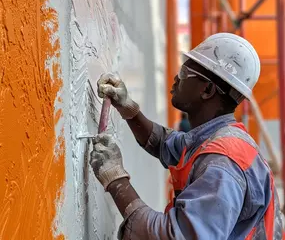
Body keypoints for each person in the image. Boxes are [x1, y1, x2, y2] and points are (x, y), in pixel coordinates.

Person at [89, 33, 284, 239]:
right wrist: (128, 107)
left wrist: (115, 178)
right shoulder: (217, 138)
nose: (176, 78)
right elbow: (166, 144)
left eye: (184, 72)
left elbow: (176, 235)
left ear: (207, 89)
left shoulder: (222, 164)